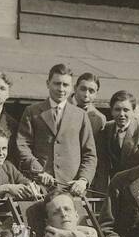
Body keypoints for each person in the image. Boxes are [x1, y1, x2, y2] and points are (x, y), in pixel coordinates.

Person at [15, 63, 97, 197]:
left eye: (65, 85)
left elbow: (90, 154)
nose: (61, 89)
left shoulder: (80, 115)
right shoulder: (32, 111)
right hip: (40, 187)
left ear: (72, 88)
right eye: (57, 83)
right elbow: (22, 145)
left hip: (71, 189)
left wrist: (83, 180)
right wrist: (38, 170)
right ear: (48, 83)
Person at [93, 90, 139, 194]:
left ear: (134, 111)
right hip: (115, 188)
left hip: (136, 186)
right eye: (117, 109)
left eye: (126, 110)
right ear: (111, 111)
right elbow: (102, 163)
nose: (121, 114)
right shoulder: (106, 129)